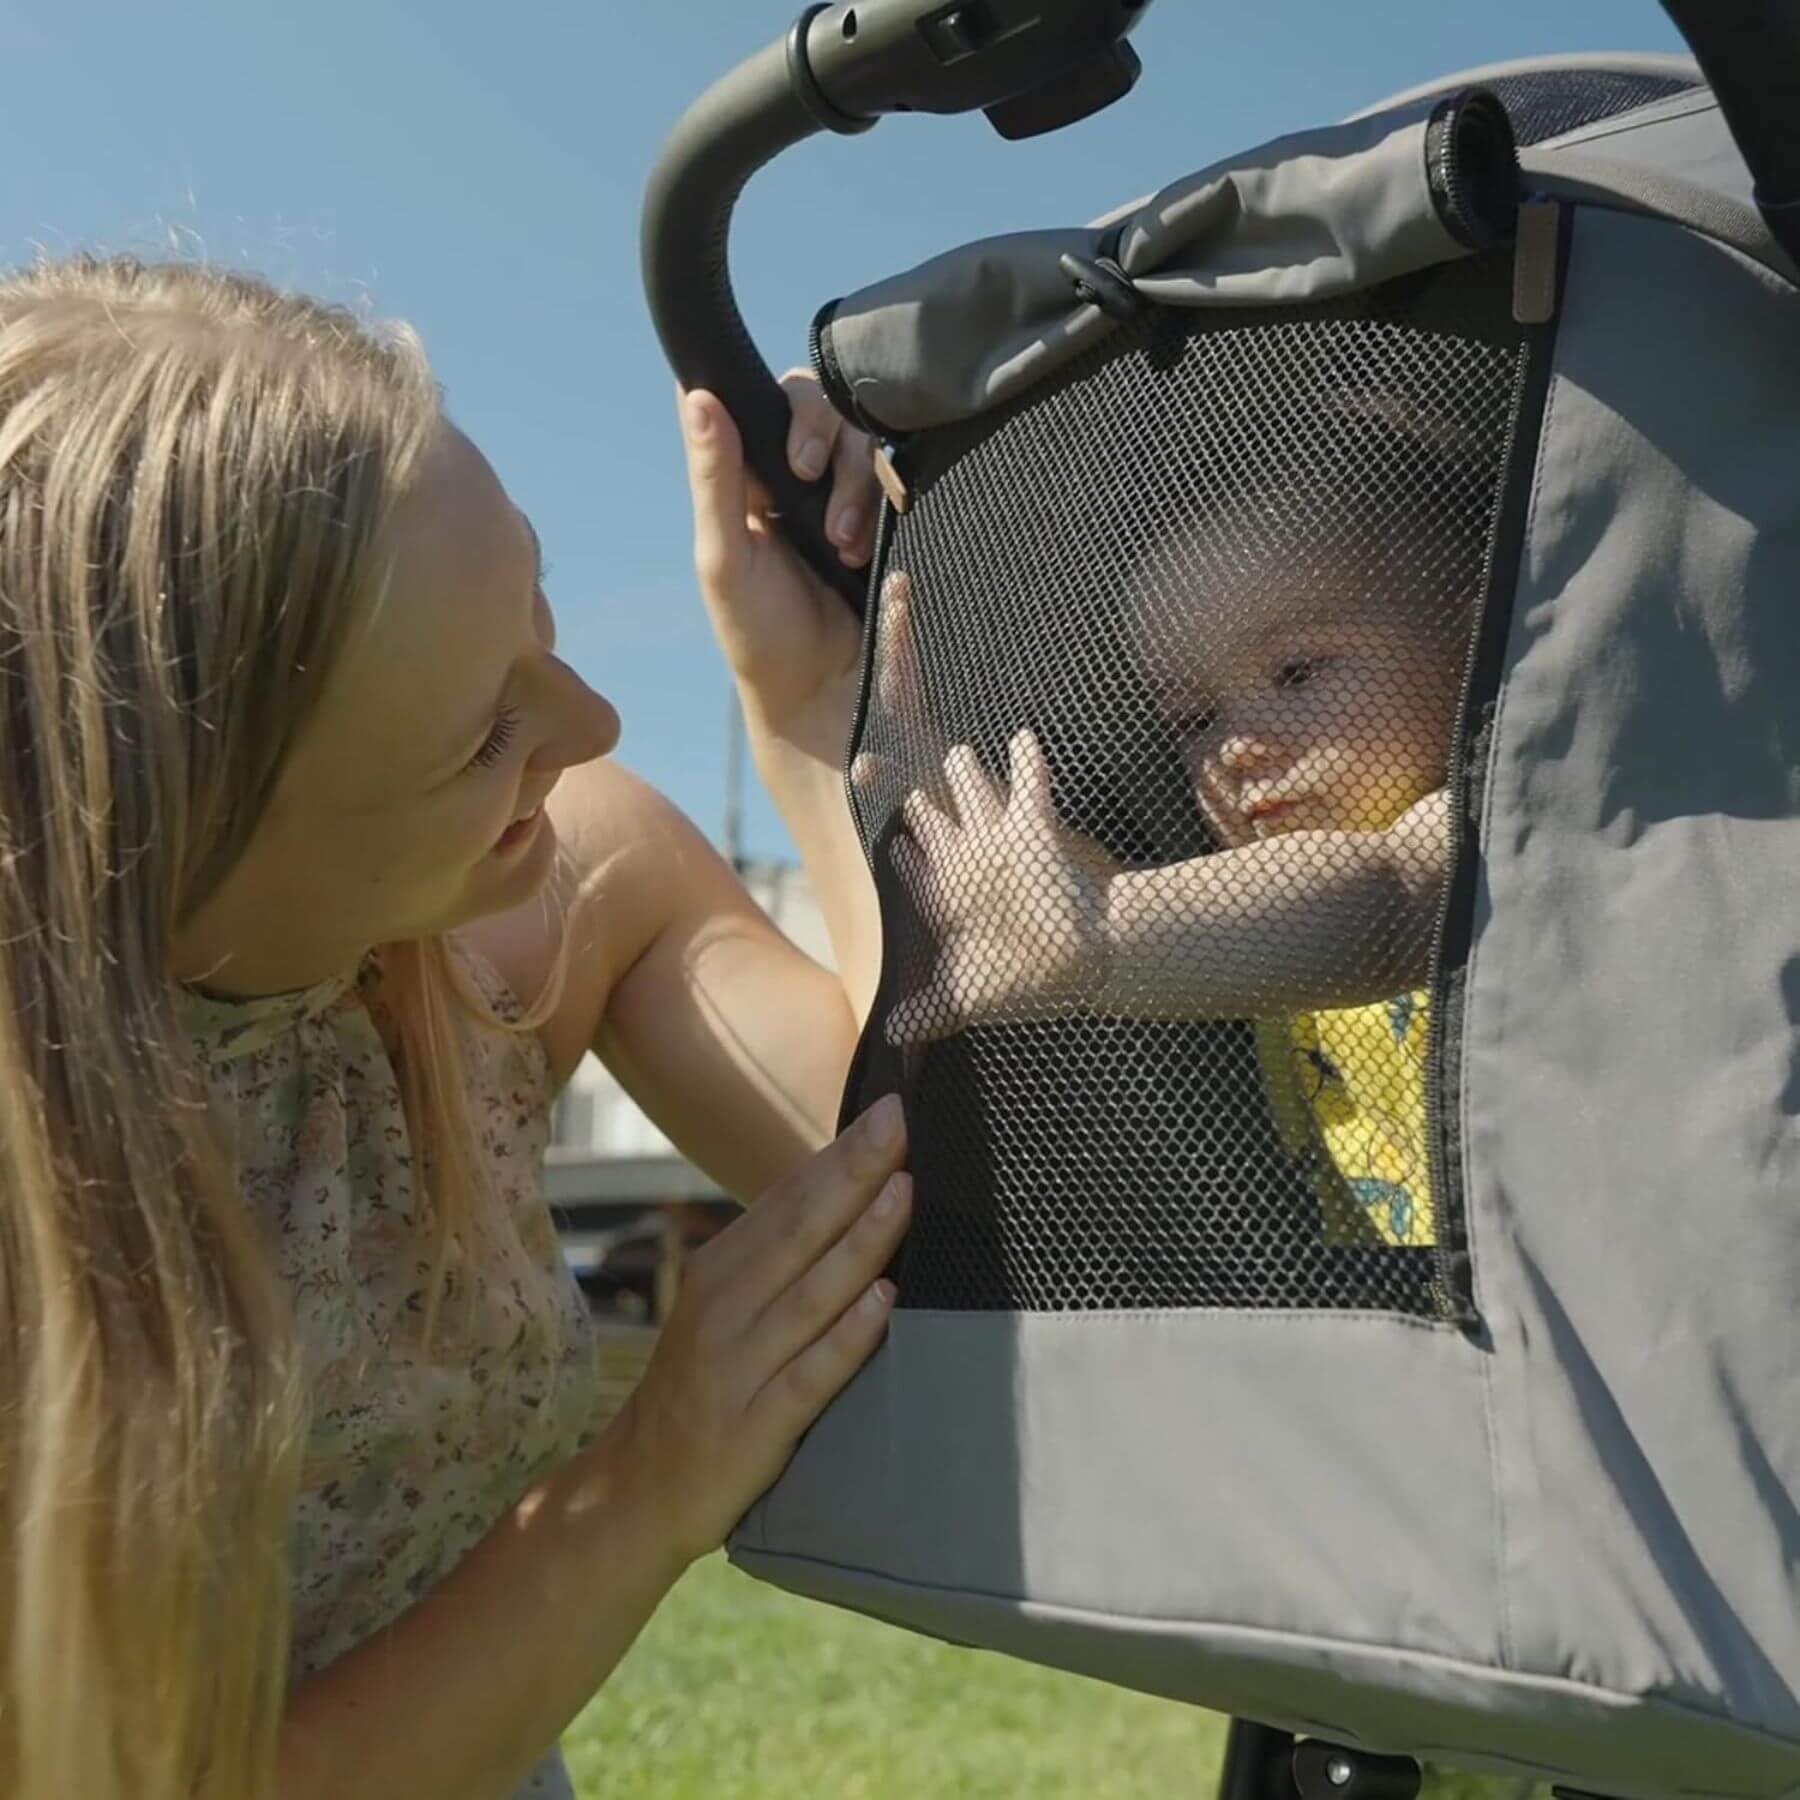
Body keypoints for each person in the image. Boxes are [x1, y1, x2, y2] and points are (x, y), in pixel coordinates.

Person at [0, 253, 893, 1800]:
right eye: (483, 734)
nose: (594, 726)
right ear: (175, 846)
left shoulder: (538, 907)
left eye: (534, 604)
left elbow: (897, 1174)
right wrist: (640, 1492)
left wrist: (812, 713)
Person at [885, 413, 1487, 1249]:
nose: (1237, 748)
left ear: (1474, 640)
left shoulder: (1478, 828)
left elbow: (1387, 901)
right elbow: (1108, 892)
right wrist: (958, 805)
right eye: (1195, 718)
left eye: (1298, 672)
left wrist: (1099, 927)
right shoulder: (1242, 888)